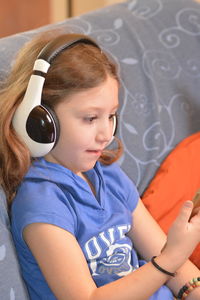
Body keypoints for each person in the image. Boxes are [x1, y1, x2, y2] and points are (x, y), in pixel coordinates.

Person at [0, 30, 200, 300]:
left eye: (111, 115)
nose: (106, 133)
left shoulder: (108, 175)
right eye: (91, 118)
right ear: (39, 120)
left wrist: (189, 284)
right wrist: (171, 258)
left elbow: (166, 257)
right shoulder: (42, 202)